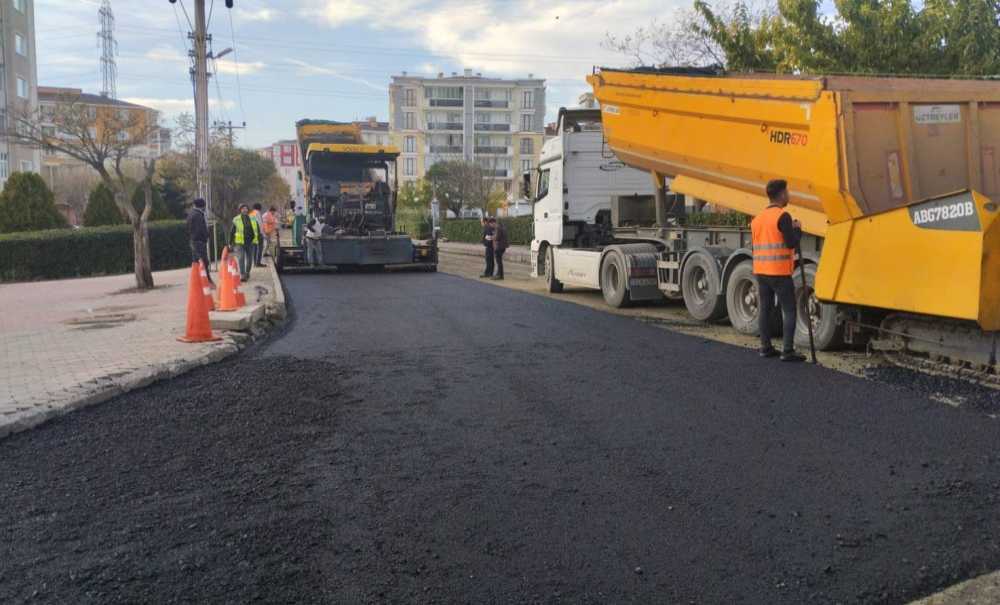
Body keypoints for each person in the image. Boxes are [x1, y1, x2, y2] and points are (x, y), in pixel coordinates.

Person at [751, 179, 805, 362]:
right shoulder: (783, 216)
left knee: (764, 309)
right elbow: (791, 243)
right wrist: (798, 230)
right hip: (780, 272)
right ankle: (787, 351)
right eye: (787, 192)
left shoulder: (757, 220)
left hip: (761, 271)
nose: (788, 195)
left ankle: (765, 347)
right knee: (789, 310)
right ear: (782, 194)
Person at [186, 197, 213, 286]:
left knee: (197, 261)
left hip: (193, 240)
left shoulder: (191, 214)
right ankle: (207, 281)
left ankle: (200, 281)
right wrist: (206, 236)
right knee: (204, 261)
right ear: (203, 206)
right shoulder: (198, 215)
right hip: (199, 241)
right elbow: (201, 229)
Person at [230, 204, 256, 281]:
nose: (245, 210)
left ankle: (247, 272)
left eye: (246, 208)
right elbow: (232, 231)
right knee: (241, 258)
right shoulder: (236, 219)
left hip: (250, 242)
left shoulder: (252, 218)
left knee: (250, 259)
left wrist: (256, 239)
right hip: (239, 242)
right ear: (240, 210)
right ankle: (242, 274)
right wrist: (230, 242)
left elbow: (256, 229)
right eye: (243, 208)